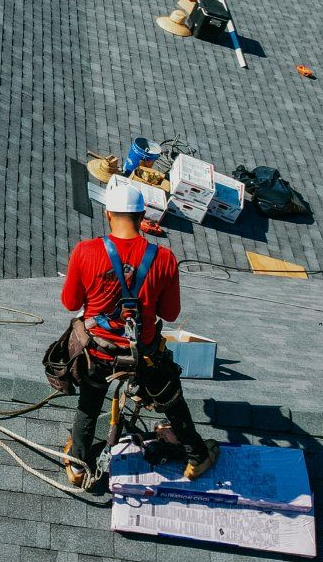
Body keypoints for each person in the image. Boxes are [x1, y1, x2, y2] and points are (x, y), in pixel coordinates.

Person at [58, 179, 217, 491]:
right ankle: (196, 456)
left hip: (98, 352)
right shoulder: (164, 259)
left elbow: (70, 303)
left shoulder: (85, 252)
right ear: (143, 215)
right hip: (142, 354)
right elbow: (169, 314)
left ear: (108, 215)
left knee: (90, 403)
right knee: (171, 400)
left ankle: (77, 465)